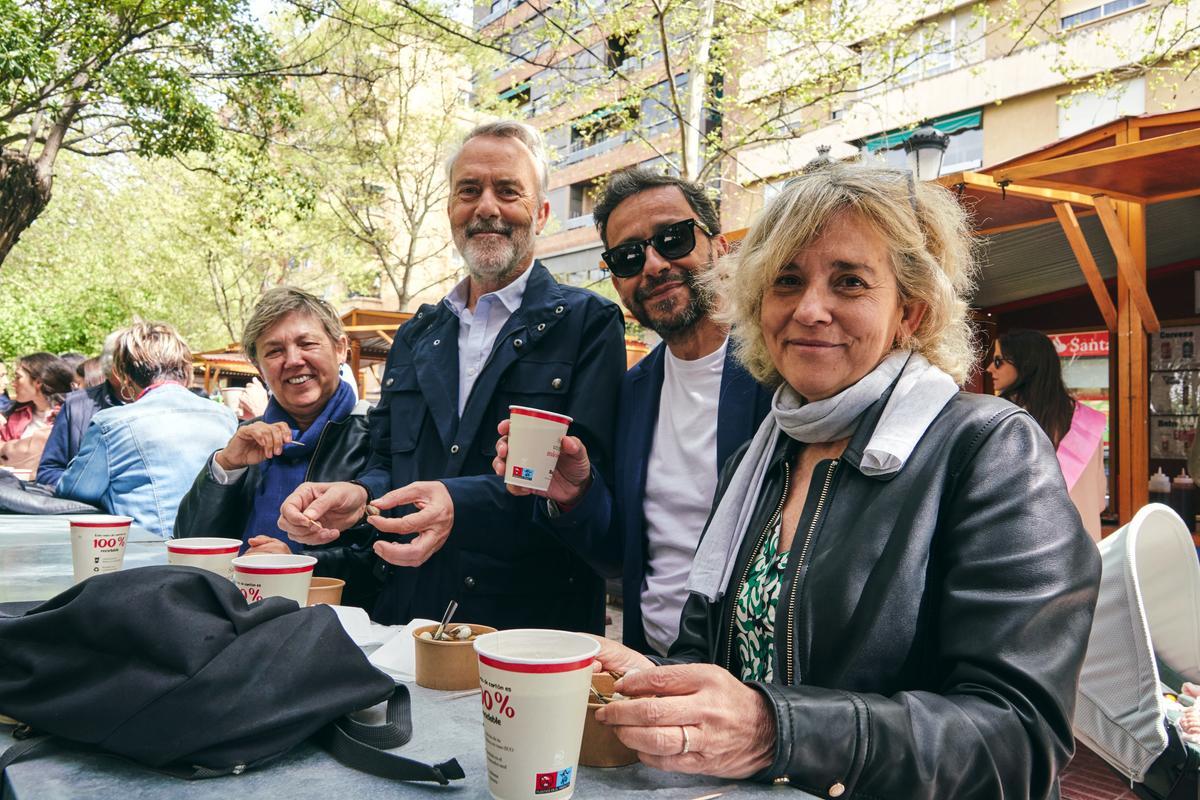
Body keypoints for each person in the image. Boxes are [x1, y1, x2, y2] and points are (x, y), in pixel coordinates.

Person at [584, 162, 1101, 799]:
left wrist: (778, 732)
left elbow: (1021, 740)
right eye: (787, 281)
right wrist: (657, 681)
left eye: (850, 282)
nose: (809, 310)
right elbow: (714, 655)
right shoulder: (758, 459)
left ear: (909, 311)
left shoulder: (990, 449)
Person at [277, 120, 626, 630]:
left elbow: (588, 492)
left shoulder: (589, 325)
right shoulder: (417, 335)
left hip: (529, 635)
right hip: (406, 622)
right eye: (470, 190)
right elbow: (384, 461)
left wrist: (458, 504)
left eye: (508, 191)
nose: (487, 206)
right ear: (450, 211)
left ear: (542, 213)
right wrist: (359, 498)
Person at [493, 168, 771, 655]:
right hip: (650, 663)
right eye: (627, 257)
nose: (655, 264)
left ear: (720, 247)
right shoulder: (634, 390)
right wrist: (575, 495)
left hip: (748, 681)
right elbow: (620, 558)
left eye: (673, 237)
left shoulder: (778, 371)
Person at [175, 287, 379, 606]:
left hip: (328, 621)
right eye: (274, 351)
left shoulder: (376, 431)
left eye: (307, 343)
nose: (294, 361)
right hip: (233, 609)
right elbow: (189, 544)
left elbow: (384, 557)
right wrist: (227, 466)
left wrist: (293, 564)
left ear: (340, 349)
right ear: (259, 368)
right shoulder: (248, 437)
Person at [57, 322, 237, 538]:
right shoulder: (226, 416)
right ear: (186, 371)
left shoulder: (111, 424)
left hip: (150, 557)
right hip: (219, 553)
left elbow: (73, 490)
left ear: (124, 376)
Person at [987, 329, 1107, 541]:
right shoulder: (1089, 423)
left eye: (998, 361)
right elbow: (1099, 501)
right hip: (1084, 554)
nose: (989, 368)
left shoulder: (1001, 420)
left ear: (1025, 365)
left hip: (1030, 552)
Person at [36, 333, 125, 489]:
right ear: (115, 368)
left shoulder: (164, 407)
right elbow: (48, 472)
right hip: (89, 510)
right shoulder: (76, 405)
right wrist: (93, 490)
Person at [0, 353, 75, 472]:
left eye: (18, 377)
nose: (12, 383)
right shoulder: (15, 414)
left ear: (38, 382)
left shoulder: (69, 416)